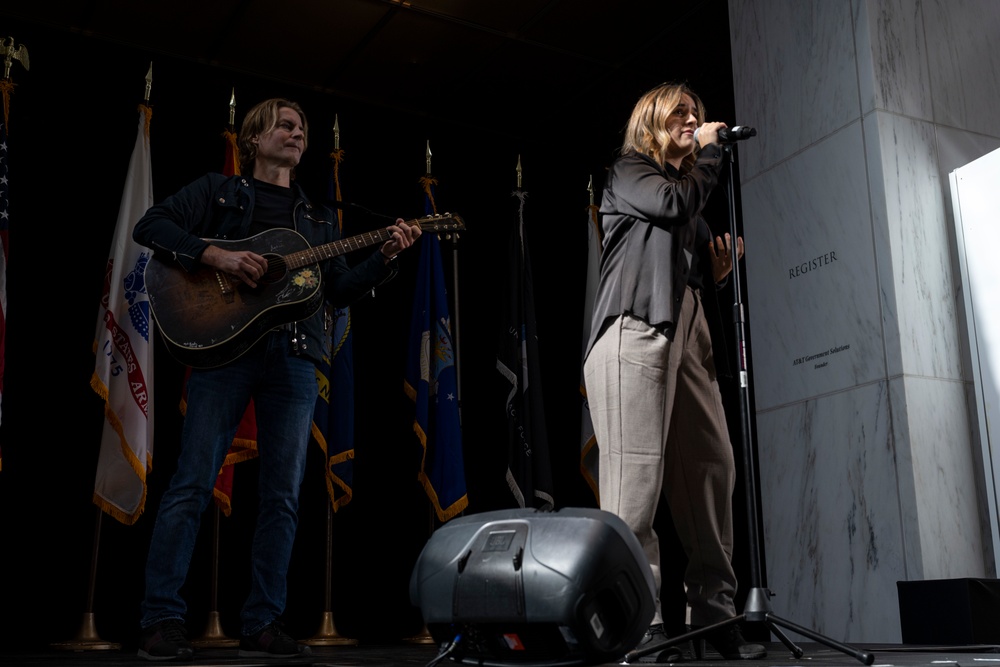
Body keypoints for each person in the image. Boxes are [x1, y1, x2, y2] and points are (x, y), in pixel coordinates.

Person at [133, 98, 420, 661]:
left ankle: (262, 622)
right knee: (191, 483)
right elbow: (152, 225)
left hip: (294, 358)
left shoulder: (319, 218)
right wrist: (215, 255)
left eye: (302, 130)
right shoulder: (218, 190)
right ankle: (161, 619)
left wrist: (385, 256)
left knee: (282, 498)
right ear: (254, 137)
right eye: (285, 126)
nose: (297, 135)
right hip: (223, 354)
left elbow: (335, 290)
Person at [582, 82, 762, 662]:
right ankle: (640, 624)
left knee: (712, 468)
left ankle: (714, 616)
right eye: (680, 113)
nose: (693, 120)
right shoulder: (629, 172)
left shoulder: (687, 189)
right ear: (653, 122)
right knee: (635, 485)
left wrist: (719, 272)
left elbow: (687, 237)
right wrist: (710, 152)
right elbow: (673, 205)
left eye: (697, 114)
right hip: (634, 325)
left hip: (687, 329)